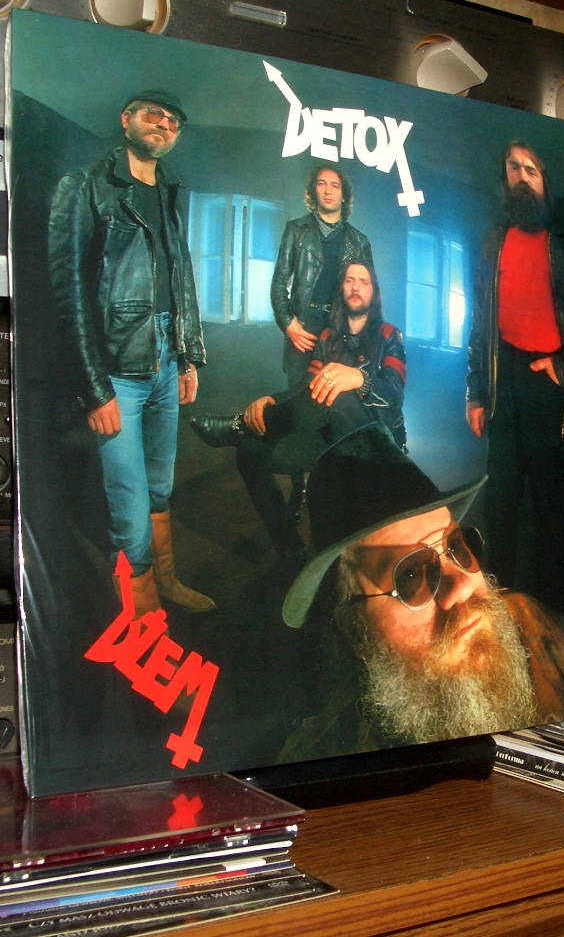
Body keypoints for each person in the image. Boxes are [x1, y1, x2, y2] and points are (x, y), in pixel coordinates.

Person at [277, 425, 564, 764]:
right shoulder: (332, 764)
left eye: (457, 547)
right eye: (410, 575)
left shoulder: (524, 620)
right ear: (354, 628)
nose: (462, 586)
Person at [49, 89, 213, 617]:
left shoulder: (168, 191)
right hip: (117, 369)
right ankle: (141, 619)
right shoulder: (85, 186)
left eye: (172, 120)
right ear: (126, 121)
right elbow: (68, 293)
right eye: (152, 114)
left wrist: (188, 356)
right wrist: (93, 387)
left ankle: (165, 583)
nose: (162, 124)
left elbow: (181, 277)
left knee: (161, 488)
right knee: (130, 505)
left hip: (166, 358)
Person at [464, 139, 564, 626]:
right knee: (499, 503)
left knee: (549, 508)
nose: (521, 177)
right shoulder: (493, 240)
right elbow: (480, 323)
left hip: (550, 385)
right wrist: (476, 391)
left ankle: (552, 619)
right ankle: (499, 617)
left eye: (531, 169)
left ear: (545, 180)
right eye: (513, 168)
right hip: (503, 380)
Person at [191, 261, 405, 566]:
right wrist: (271, 400)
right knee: (250, 451)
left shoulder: (389, 335)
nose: (356, 286)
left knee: (335, 392)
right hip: (329, 437)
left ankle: (238, 425)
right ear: (341, 289)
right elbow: (306, 388)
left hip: (375, 440)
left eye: (364, 281)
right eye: (349, 280)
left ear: (374, 293)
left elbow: (394, 393)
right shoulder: (328, 336)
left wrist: (360, 378)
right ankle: (288, 545)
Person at [268, 165, 375, 518]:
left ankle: (333, 487)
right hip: (304, 329)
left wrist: (360, 337)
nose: (328, 190)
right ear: (313, 191)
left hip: (341, 330)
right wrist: (289, 325)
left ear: (345, 194)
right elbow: (279, 284)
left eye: (335, 185)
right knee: (300, 407)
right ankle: (299, 487)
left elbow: (367, 291)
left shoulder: (359, 241)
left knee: (336, 406)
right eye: (321, 184)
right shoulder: (296, 230)